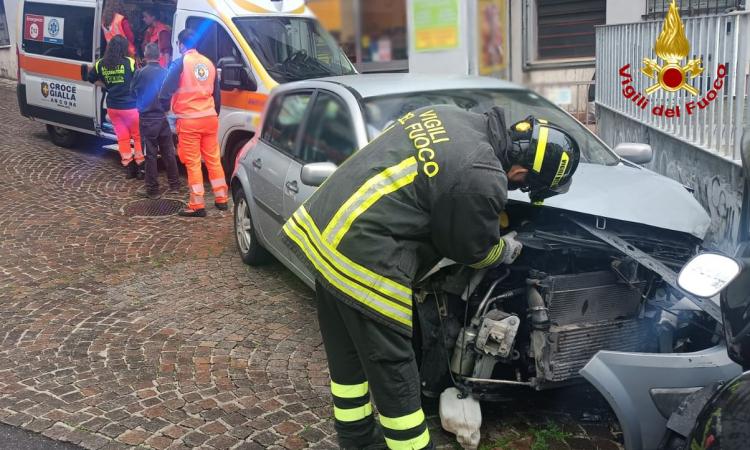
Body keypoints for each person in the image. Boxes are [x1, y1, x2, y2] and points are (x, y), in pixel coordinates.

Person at [281, 106, 581, 449]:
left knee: (346, 358)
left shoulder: (451, 115)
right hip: (365, 256)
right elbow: (474, 251)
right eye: (525, 186)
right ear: (521, 170)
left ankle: (358, 440)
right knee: (395, 371)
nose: (519, 191)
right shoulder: (482, 175)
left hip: (327, 234)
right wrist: (507, 250)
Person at [159, 29, 227, 218]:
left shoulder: (180, 63)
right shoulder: (208, 63)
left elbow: (165, 91)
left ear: (181, 44)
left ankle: (197, 205)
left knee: (193, 162)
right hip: (210, 118)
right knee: (213, 159)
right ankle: (222, 199)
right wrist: (214, 114)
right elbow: (217, 95)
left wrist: (163, 106)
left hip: (189, 120)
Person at [88, 35, 144, 179]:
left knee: (123, 138)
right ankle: (140, 166)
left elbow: (91, 78)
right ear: (124, 48)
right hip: (130, 107)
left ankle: (128, 166)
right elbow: (138, 80)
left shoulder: (101, 63)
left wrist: (107, 85)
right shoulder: (130, 62)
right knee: (138, 137)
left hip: (113, 107)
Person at [131, 43, 181, 199]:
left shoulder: (140, 73)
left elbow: (132, 92)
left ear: (145, 56)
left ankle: (152, 189)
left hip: (147, 118)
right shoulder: (166, 72)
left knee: (150, 154)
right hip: (162, 117)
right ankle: (174, 184)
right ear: (159, 56)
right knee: (168, 151)